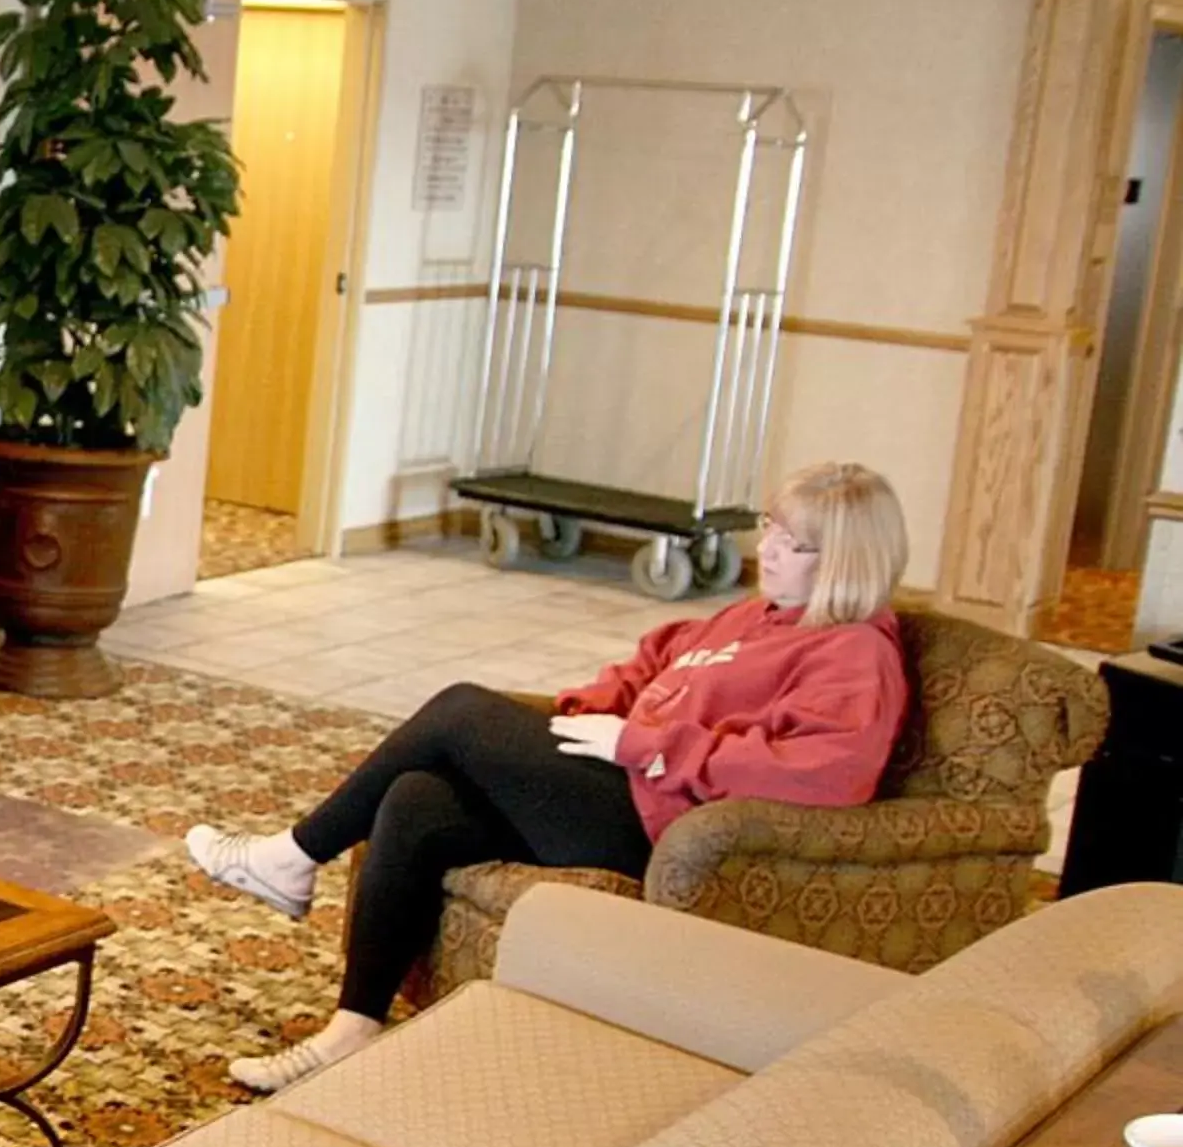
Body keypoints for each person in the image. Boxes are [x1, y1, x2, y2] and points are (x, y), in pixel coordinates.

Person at [187, 461, 913, 1095]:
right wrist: (588, 714)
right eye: (770, 526)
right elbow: (653, 665)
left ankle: (292, 856)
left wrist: (650, 745)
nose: (770, 550)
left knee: (461, 711)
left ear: (845, 560)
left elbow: (828, 776)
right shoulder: (754, 616)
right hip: (621, 781)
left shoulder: (851, 653)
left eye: (794, 543)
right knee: (418, 800)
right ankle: (354, 1026)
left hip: (667, 826)